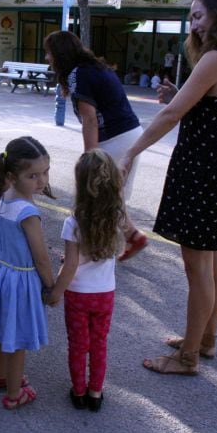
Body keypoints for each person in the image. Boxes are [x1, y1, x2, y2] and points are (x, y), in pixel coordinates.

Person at [120, 0, 217, 375]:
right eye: (191, 17)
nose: (193, 24)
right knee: (213, 262)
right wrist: (181, 93)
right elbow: (213, 107)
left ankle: (188, 357)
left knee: (198, 269)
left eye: (198, 16)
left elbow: (169, 117)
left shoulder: (214, 58)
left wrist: (131, 152)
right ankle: (205, 339)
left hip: (201, 174)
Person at [43, 30, 148, 261]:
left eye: (49, 53)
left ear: (60, 54)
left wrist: (89, 158)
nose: (47, 58)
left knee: (89, 194)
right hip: (132, 135)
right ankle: (133, 235)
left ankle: (81, 251)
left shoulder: (78, 74)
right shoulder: (94, 68)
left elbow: (89, 119)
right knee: (112, 196)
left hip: (115, 138)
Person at [0, 136, 59, 410]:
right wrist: (51, 285)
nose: (41, 181)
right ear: (12, 176)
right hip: (20, 280)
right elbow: (41, 257)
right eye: (33, 175)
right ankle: (13, 392)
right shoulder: (28, 211)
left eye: (45, 172)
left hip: (0, 274)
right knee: (18, 339)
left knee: (2, 331)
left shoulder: (5, 198)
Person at [48, 150, 126, 412]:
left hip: (78, 294)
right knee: (99, 343)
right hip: (105, 293)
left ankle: (78, 391)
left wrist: (55, 292)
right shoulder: (116, 217)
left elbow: (71, 265)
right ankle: (96, 392)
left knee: (79, 344)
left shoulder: (74, 222)